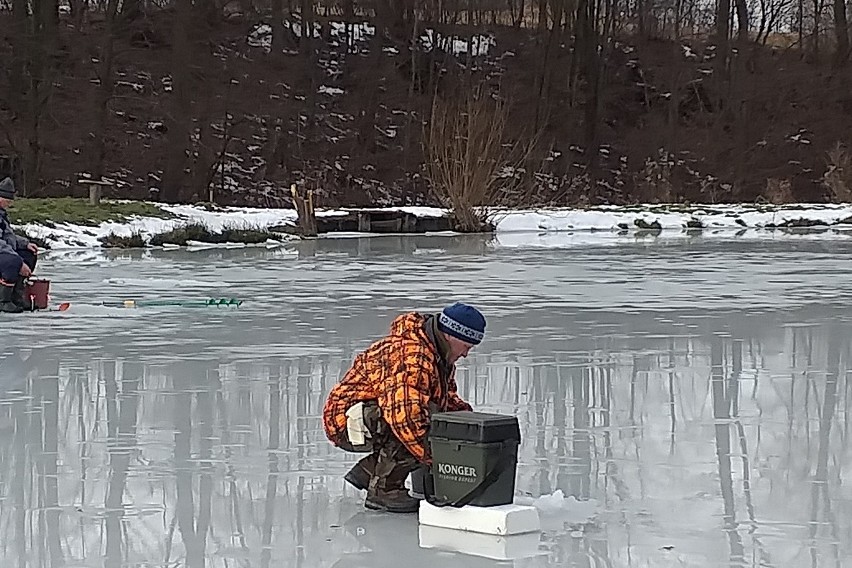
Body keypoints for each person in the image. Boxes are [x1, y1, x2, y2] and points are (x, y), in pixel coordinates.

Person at [322, 302, 485, 513]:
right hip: (346, 421)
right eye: (467, 346)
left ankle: (369, 471)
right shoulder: (412, 357)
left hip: (371, 414)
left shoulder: (437, 353)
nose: (465, 354)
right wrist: (439, 458)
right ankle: (384, 490)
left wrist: (470, 424)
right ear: (451, 335)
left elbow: (446, 400)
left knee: (437, 420)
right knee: (417, 424)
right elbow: (406, 419)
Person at [0, 177, 38, 313]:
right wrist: (18, 260)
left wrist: (25, 244)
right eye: (7, 200)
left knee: (29, 254)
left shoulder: (2, 214)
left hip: (3, 250)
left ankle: (17, 296)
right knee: (14, 261)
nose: (9, 203)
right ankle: (3, 300)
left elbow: (8, 235)